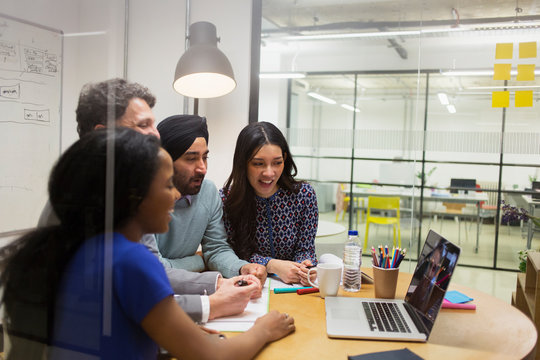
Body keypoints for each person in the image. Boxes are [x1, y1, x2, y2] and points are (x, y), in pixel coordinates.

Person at [0, 128, 294, 359]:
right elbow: (213, 356)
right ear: (132, 197)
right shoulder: (131, 260)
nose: (176, 196)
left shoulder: (83, 250)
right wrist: (263, 330)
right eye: (167, 185)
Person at [37, 78, 257, 323]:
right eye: (144, 124)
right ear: (103, 136)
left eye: (153, 124)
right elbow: (137, 294)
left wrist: (218, 284)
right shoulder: (84, 201)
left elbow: (144, 279)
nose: (155, 134)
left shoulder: (122, 191)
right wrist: (211, 304)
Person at [155, 115, 267, 283]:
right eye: (191, 158)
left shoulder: (208, 192)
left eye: (205, 157)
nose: (202, 168)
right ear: (166, 160)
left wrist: (242, 268)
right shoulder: (144, 198)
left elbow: (216, 249)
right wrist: (198, 261)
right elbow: (153, 269)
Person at [220, 122, 319, 286]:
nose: (269, 173)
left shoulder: (304, 195)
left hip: (294, 288)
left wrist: (304, 267)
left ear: (285, 159)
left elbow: (305, 248)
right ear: (243, 163)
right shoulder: (226, 200)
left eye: (277, 162)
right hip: (249, 287)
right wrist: (273, 265)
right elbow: (230, 254)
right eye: (258, 163)